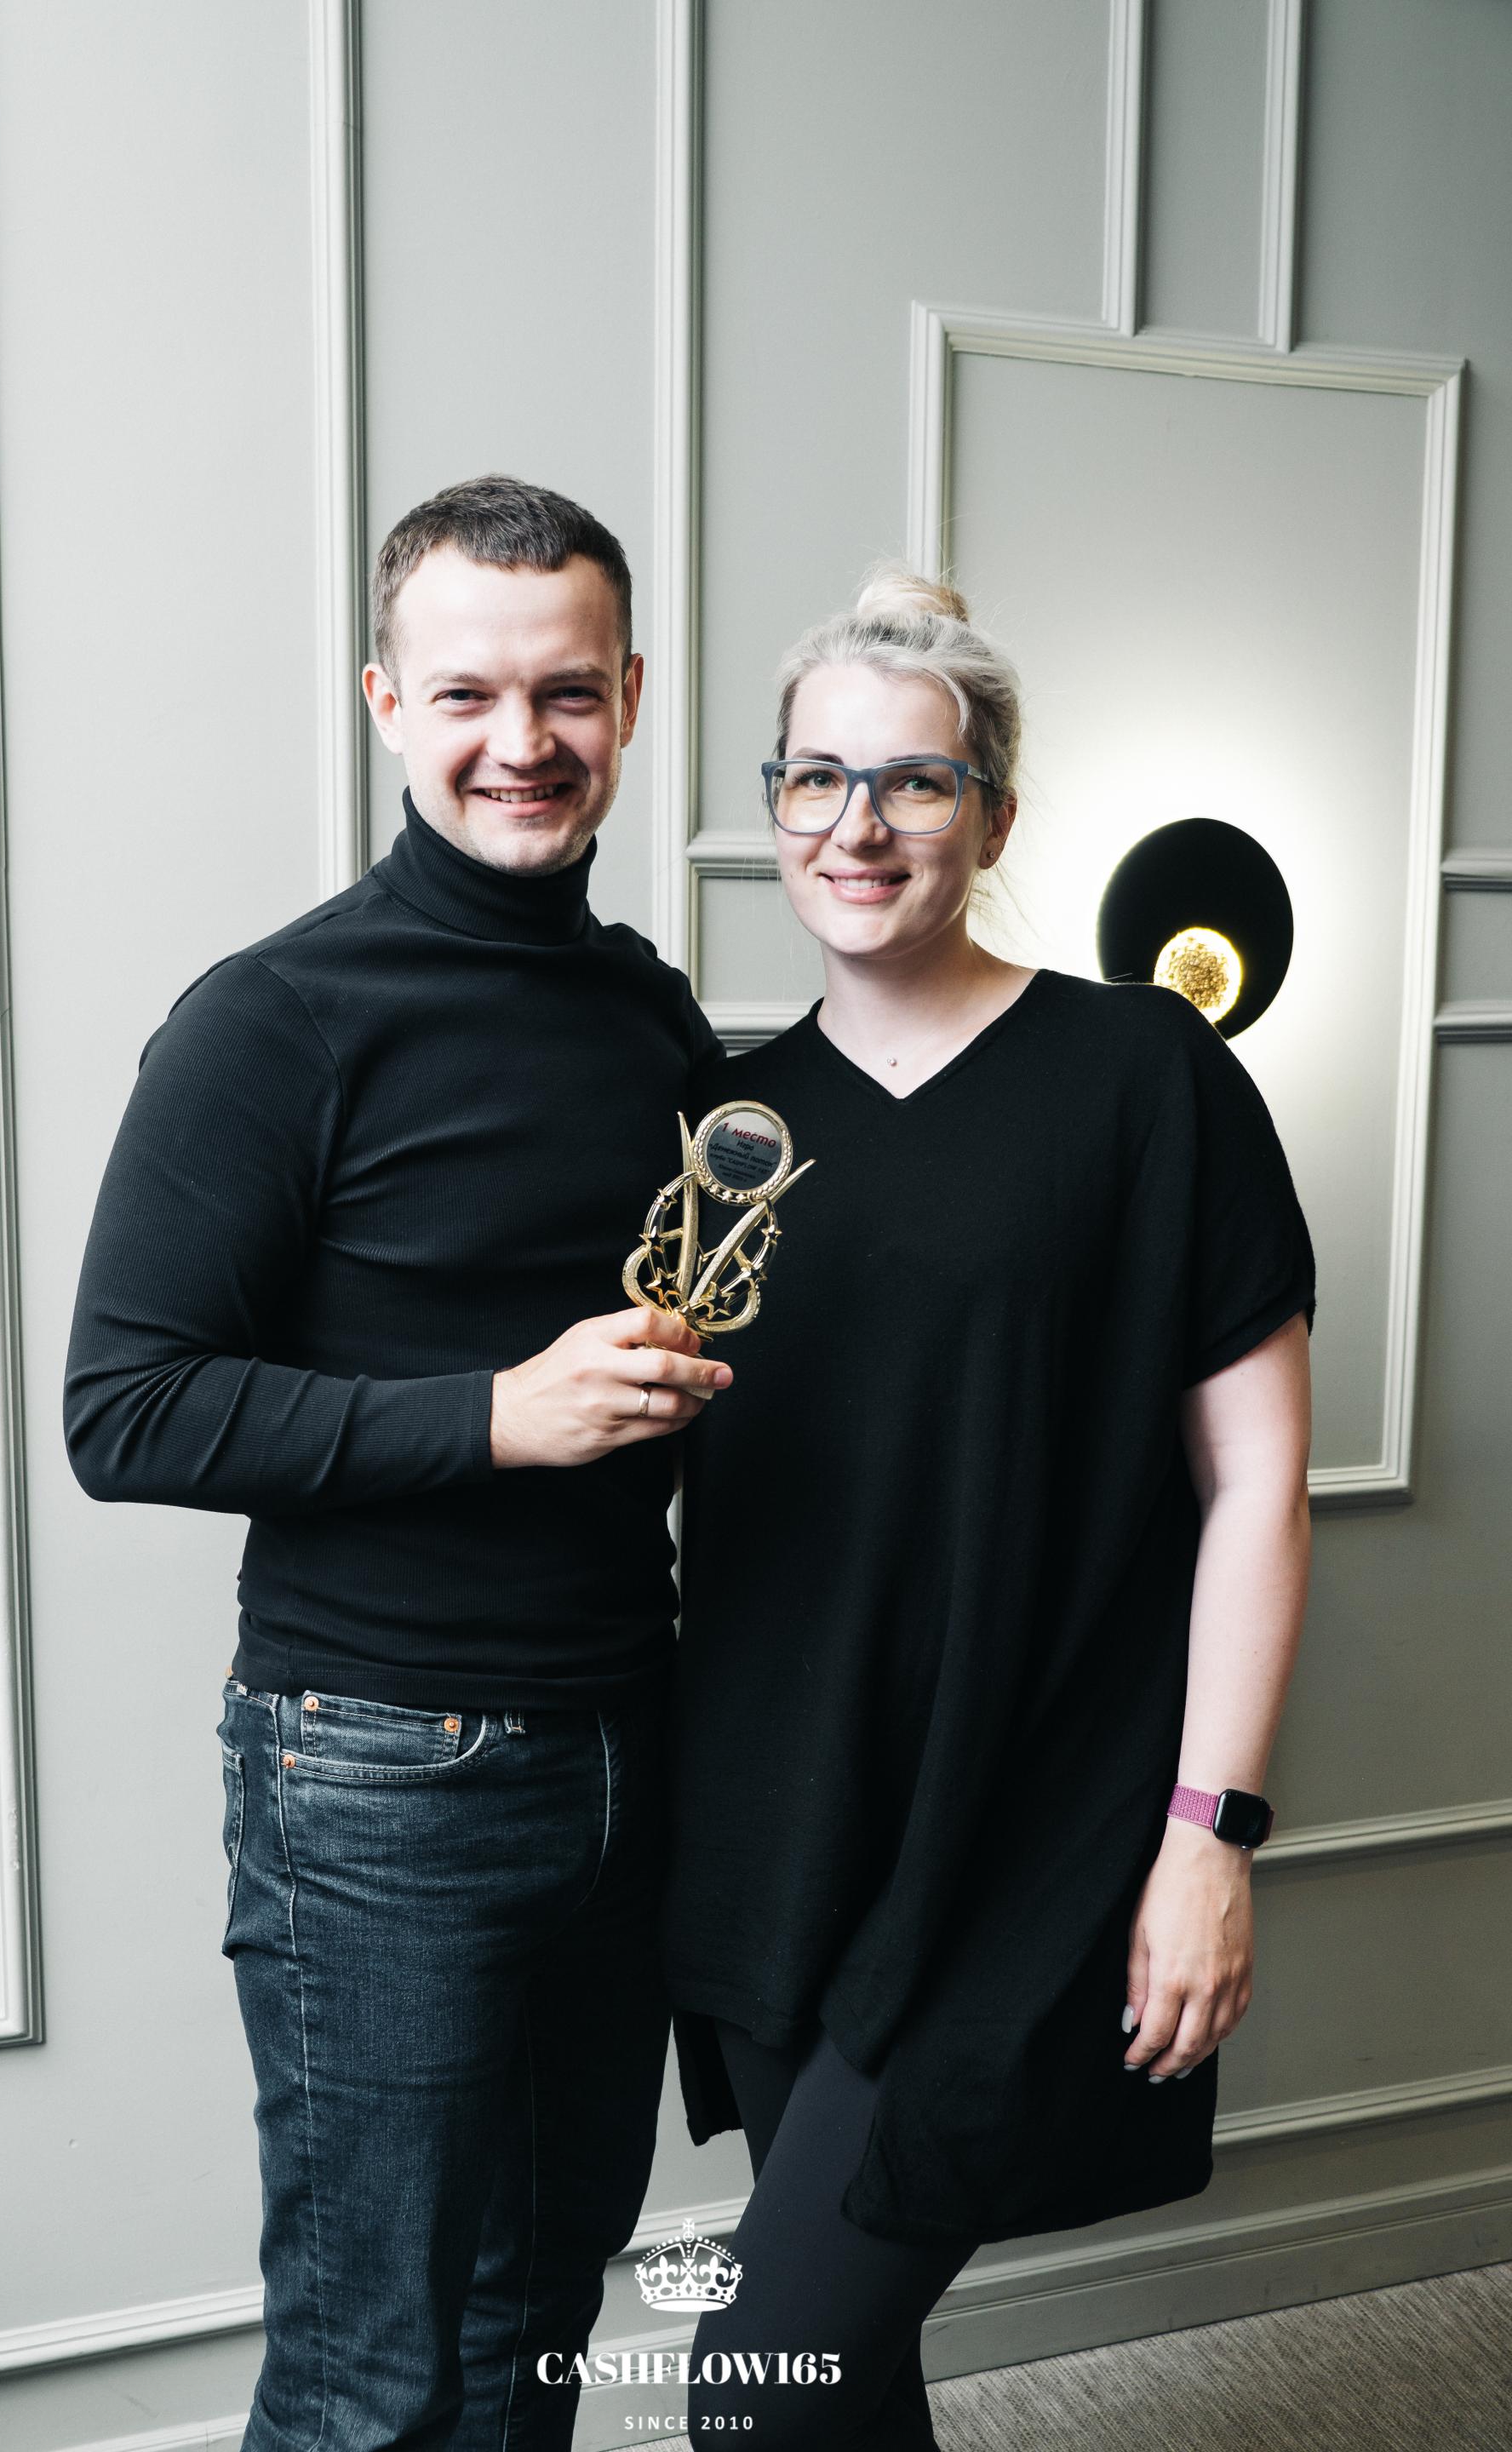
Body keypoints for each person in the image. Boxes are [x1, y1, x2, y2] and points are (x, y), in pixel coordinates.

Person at [63, 474, 734, 2451]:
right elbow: (125, 1408)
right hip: (377, 1774)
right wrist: (495, 1415)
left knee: (537, 2320)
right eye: (466, 695)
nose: (522, 741)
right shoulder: (274, 1017)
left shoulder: (652, 1015)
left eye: (567, 693)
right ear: (385, 703)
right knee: (373, 2375)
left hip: (627, 1739)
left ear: (631, 695)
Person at [662, 568, 1316, 2449]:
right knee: (848, 2387)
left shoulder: (1146, 1075)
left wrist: (1212, 1834)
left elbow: (1257, 1483)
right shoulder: (722, 1126)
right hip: (779, 1815)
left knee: (760, 2397)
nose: (858, 825)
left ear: (996, 819)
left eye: (916, 783)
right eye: (817, 778)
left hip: (1043, 1821)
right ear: (774, 805)